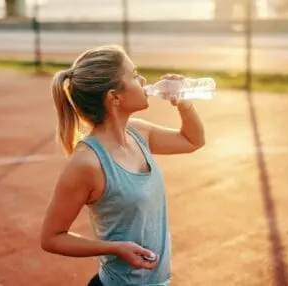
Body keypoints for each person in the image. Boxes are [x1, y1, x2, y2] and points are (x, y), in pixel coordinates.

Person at [40, 45, 205, 286]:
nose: (143, 80)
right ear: (114, 97)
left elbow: (193, 140)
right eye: (134, 74)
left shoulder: (139, 132)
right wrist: (115, 248)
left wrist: (183, 103)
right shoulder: (87, 163)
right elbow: (51, 238)